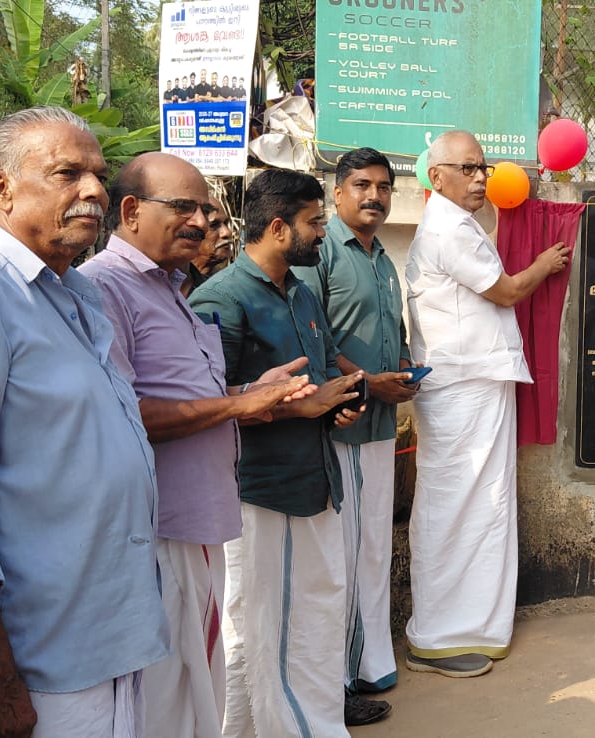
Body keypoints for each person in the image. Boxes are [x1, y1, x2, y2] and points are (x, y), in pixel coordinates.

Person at [0, 106, 169, 738]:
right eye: (67, 173)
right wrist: (1, 675)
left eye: (98, 174)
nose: (95, 191)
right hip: (39, 655)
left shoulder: (76, 290)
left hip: (107, 629)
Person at [79, 153, 317, 738]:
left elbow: (190, 396)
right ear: (131, 211)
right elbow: (120, 412)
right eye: (182, 207)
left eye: (204, 209)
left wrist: (250, 392)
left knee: (197, 689)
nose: (200, 222)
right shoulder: (104, 288)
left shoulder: (174, 287)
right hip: (158, 530)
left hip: (200, 522)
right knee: (164, 699)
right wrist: (238, 405)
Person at [187, 169, 371, 738]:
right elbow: (203, 404)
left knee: (316, 615)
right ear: (276, 227)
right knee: (250, 627)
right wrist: (295, 408)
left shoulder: (302, 290)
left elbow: (310, 381)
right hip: (257, 495)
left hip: (314, 483)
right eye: (315, 222)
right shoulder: (221, 297)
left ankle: (314, 725)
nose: (323, 232)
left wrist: (336, 404)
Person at [403, 130, 570, 678]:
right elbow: (505, 292)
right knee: (460, 503)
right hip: (462, 384)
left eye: (483, 167)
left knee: (483, 501)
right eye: (469, 169)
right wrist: (544, 265)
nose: (482, 178)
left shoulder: (458, 225)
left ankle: (470, 626)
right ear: (437, 177)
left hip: (473, 382)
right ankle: (440, 634)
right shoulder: (450, 228)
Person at [292, 148, 416, 706]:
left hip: (382, 424)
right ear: (337, 193)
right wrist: (367, 381)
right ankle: (335, 683)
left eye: (385, 187)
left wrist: (406, 367)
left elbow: (391, 328)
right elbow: (311, 333)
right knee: (340, 556)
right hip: (343, 423)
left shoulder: (382, 258)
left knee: (372, 549)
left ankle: (368, 666)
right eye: (362, 185)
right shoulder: (321, 253)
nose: (375, 196)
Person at [181, 198, 235, 297]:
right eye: (214, 225)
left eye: (226, 223)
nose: (227, 232)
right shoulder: (169, 286)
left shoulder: (229, 287)